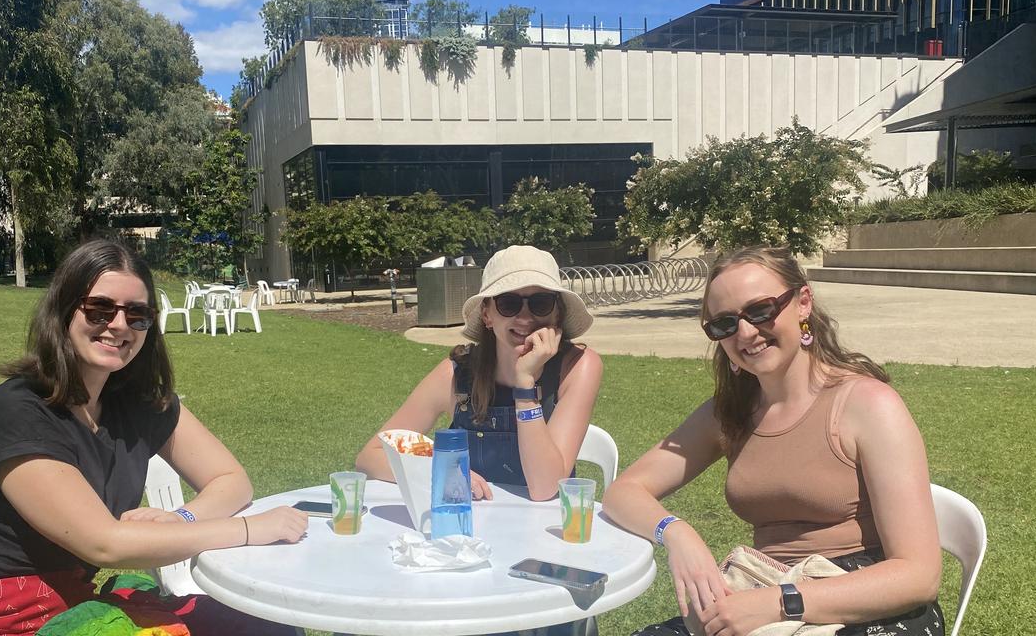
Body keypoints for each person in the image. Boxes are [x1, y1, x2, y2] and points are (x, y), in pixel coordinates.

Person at [0, 240, 307, 636]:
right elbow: (105, 544)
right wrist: (247, 530)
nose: (119, 325)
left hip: (75, 605)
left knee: (263, 625)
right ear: (64, 311)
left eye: (137, 314)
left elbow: (231, 480)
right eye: (100, 309)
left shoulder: (137, 404)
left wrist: (180, 517)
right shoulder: (15, 413)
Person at [603, 246, 944, 636]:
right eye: (724, 324)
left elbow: (918, 575)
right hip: (764, 592)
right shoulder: (729, 413)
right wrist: (677, 534)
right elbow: (623, 492)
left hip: (864, 604)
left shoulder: (867, 405)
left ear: (802, 303)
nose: (745, 333)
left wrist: (780, 602)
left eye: (761, 310)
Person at [356, 245, 603, 501]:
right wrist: (441, 471)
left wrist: (525, 385)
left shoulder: (578, 367)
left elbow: (545, 488)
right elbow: (371, 456)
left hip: (547, 531)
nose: (525, 317)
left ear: (557, 313)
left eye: (540, 303)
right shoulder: (456, 374)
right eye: (509, 303)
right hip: (471, 529)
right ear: (487, 315)